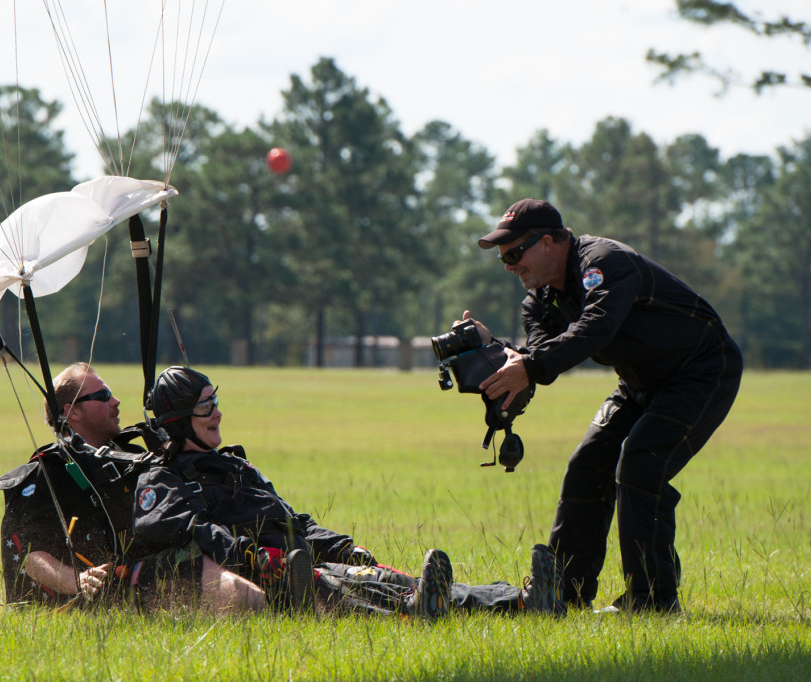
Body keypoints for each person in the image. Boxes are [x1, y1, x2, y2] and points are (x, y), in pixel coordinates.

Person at [468, 198, 743, 613]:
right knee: (587, 464)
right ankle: (563, 595)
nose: (509, 265)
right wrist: (494, 352)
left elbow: (595, 329)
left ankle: (652, 602)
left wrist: (531, 364)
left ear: (547, 242)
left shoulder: (604, 262)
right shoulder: (539, 301)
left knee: (640, 462)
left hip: (701, 371)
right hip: (639, 383)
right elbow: (543, 356)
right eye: (503, 258)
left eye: (513, 253)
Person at [133, 365, 564, 619]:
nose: (218, 413)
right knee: (352, 591)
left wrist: (341, 545)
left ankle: (521, 601)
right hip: (281, 576)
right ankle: (411, 615)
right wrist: (250, 555)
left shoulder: (234, 464)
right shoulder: (163, 479)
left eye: (215, 401)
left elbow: (293, 520)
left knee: (386, 578)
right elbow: (173, 530)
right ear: (179, 420)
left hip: (304, 556)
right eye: (206, 406)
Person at [0, 362, 265, 613]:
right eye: (103, 396)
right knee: (193, 563)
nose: (116, 402)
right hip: (100, 589)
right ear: (72, 411)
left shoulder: (132, 456)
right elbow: (30, 555)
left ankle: (282, 582)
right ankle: (264, 607)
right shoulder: (46, 471)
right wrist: (77, 581)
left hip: (140, 569)